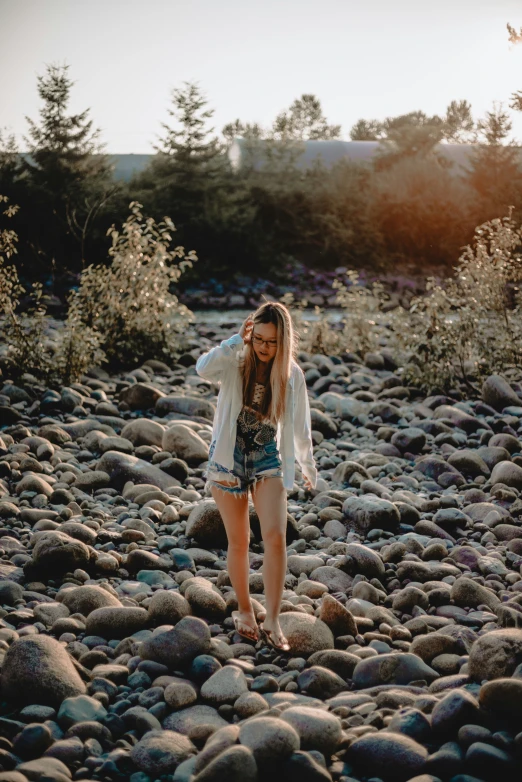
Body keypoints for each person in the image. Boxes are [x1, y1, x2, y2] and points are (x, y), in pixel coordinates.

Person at [195, 301, 317, 651]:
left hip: (266, 459)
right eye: (259, 339)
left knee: (276, 537)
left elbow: (300, 426)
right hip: (227, 461)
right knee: (240, 541)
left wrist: (307, 466)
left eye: (272, 341)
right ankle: (246, 611)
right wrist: (236, 341)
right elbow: (203, 369)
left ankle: (274, 618)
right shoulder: (235, 359)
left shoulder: (291, 375)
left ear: (285, 341)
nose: (264, 347)